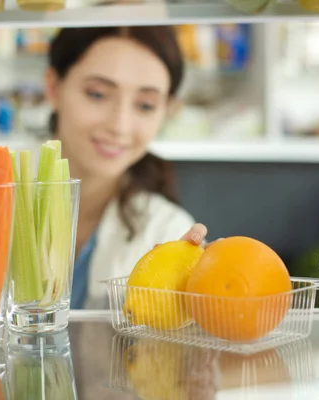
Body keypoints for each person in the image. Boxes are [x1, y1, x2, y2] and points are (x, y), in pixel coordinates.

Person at [45, 26, 208, 309]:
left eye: (145, 105)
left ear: (166, 110)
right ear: (54, 88)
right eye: (97, 94)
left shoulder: (167, 230)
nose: (119, 126)